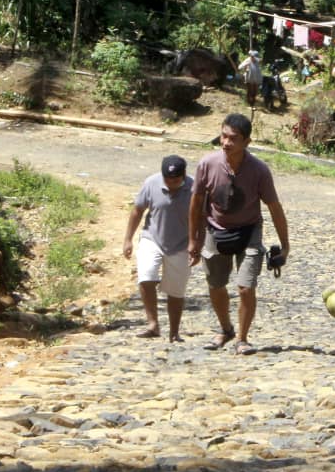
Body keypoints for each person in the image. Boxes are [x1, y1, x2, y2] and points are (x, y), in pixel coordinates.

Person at [188, 113, 290, 355]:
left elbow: (274, 207)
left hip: (249, 232)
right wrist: (194, 238)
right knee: (215, 285)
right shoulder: (207, 164)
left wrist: (285, 246)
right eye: (223, 136)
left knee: (245, 286)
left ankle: (242, 338)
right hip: (216, 231)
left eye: (233, 139)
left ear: (247, 142)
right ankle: (225, 329)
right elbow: (196, 203)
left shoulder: (259, 171)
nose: (226, 143)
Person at [123, 155, 193, 342]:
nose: (171, 184)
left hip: (182, 244)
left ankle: (174, 331)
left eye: (176, 180)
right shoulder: (151, 183)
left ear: (183, 176)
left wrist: (198, 244)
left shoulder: (195, 188)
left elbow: (203, 219)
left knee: (176, 290)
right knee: (146, 276)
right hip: (152, 237)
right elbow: (138, 210)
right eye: (167, 180)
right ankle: (152, 324)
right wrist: (128, 239)